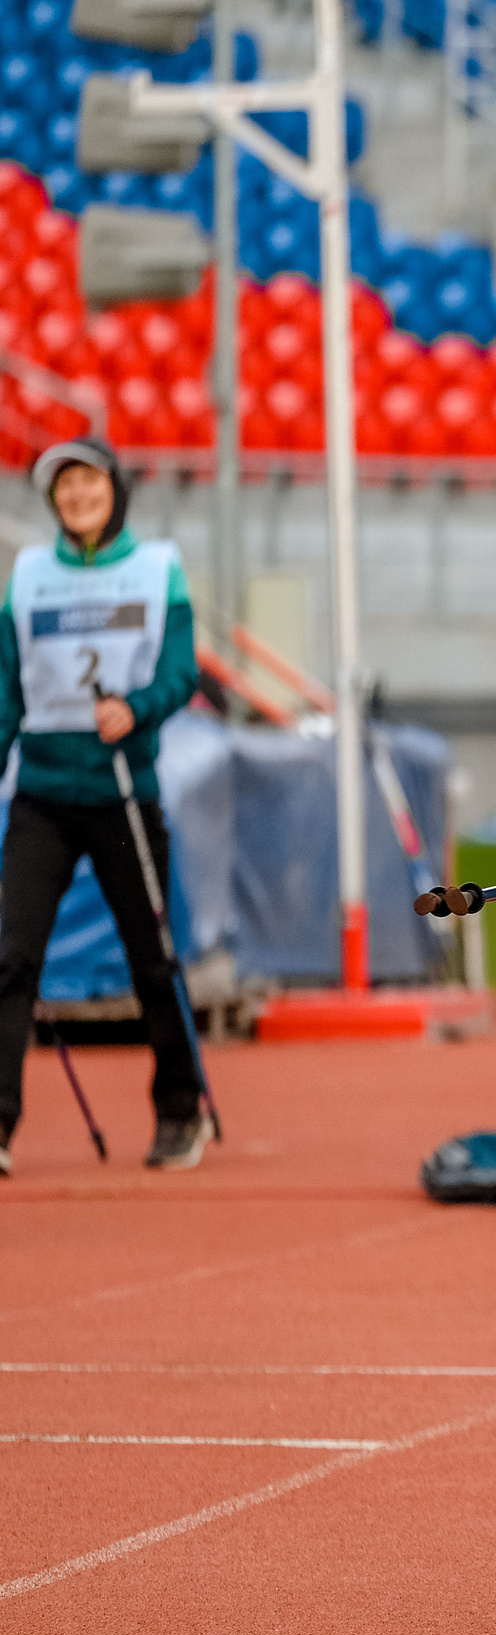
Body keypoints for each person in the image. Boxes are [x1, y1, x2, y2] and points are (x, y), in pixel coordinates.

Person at [0, 438, 204, 1174]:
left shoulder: (159, 569)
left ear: (113, 489)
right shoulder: (27, 575)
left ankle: (181, 1110)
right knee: (11, 958)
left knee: (152, 960)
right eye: (62, 486)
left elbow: (182, 673)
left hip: (122, 790)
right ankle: (0, 1123)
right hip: (43, 796)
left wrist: (139, 707)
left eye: (87, 481)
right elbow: (6, 695)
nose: (75, 496)